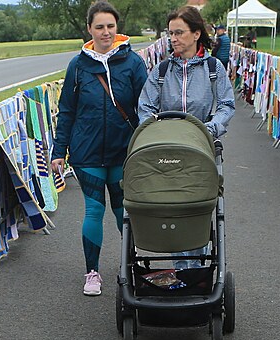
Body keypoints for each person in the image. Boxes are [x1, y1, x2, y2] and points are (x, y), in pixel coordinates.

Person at [51, 0, 147, 296]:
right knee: (93, 209)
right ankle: (92, 272)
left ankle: (131, 265)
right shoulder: (78, 65)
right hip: (86, 152)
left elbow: (146, 106)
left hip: (123, 150)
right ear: (89, 29)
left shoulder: (133, 62)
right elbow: (66, 109)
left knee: (123, 210)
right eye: (99, 27)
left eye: (110, 26)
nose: (106, 32)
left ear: (117, 28)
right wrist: (58, 150)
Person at [137, 6, 235, 269]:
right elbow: (145, 107)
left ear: (196, 34)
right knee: (171, 205)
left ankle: (197, 271)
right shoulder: (161, 71)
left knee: (197, 206)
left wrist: (211, 128)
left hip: (200, 147)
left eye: (179, 33)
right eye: (171, 34)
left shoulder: (213, 69)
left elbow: (226, 104)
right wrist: (155, 131)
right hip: (166, 149)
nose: (173, 39)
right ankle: (182, 270)